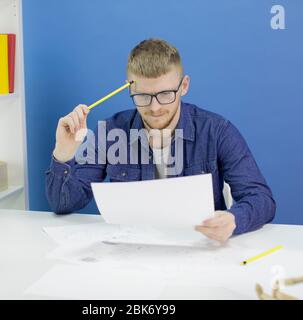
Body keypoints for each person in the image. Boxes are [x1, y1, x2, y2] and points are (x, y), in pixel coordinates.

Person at [46, 38, 276, 243]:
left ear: (183, 86)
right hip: (131, 253)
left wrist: (234, 219)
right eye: (144, 96)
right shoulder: (110, 131)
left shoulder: (217, 131)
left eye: (166, 95)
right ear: (129, 89)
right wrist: (63, 153)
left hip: (199, 251)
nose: (155, 108)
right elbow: (62, 204)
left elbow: (262, 199)